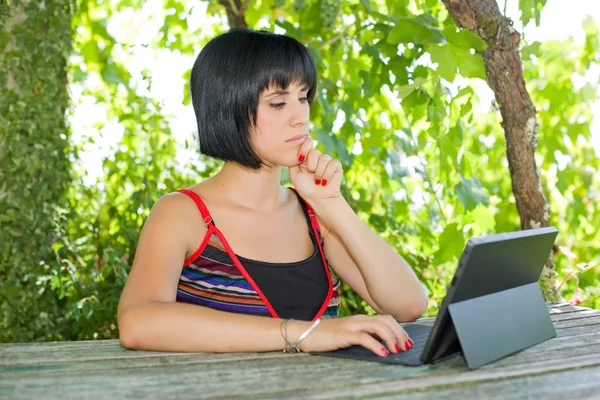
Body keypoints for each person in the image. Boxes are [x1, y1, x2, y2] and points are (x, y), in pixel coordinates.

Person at [117, 28, 428, 357]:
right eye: (278, 103)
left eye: (303, 96)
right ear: (229, 110)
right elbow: (138, 322)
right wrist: (304, 333)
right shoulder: (183, 213)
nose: (300, 117)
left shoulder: (314, 215)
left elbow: (408, 304)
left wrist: (331, 204)